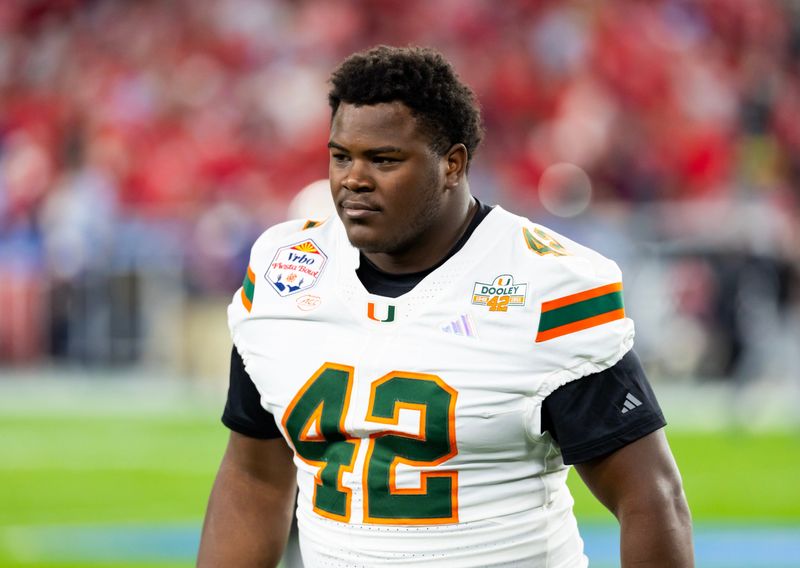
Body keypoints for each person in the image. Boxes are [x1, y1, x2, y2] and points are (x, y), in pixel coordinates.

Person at [198, 45, 694, 567]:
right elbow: (254, 478)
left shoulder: (546, 284)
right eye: (341, 156)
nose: (353, 179)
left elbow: (649, 496)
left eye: (384, 159)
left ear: (452, 164)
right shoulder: (285, 272)